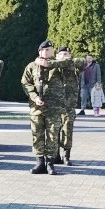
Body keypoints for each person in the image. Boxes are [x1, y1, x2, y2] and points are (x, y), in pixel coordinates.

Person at [21, 40, 81, 175]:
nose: (46, 52)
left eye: (49, 50)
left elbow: (77, 63)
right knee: (37, 135)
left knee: (53, 136)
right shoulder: (32, 66)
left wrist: (50, 63)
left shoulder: (60, 65)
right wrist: (34, 97)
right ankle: (39, 162)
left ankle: (50, 163)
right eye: (43, 50)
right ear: (39, 52)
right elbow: (26, 83)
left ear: (53, 51)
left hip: (54, 107)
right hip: (37, 107)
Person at [55, 46, 79, 165]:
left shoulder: (73, 67)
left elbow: (83, 62)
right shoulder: (52, 67)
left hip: (69, 106)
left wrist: (67, 61)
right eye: (61, 54)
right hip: (54, 106)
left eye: (66, 54)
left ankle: (66, 155)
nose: (64, 56)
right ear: (57, 56)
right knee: (54, 131)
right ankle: (55, 155)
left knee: (67, 131)